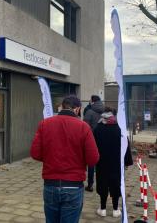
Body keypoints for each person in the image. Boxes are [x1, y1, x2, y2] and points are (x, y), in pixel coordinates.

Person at [30, 95, 100, 223]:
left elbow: (35, 153)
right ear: (78, 109)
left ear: (62, 107)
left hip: (51, 184)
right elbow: (93, 159)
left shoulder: (45, 124)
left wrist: (50, 158)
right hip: (73, 186)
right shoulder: (83, 127)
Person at [93, 107, 132, 218]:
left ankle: (103, 208)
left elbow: (93, 146)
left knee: (102, 183)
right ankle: (115, 209)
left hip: (102, 162)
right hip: (116, 163)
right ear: (114, 115)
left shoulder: (97, 128)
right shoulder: (120, 128)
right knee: (116, 184)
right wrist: (127, 161)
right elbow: (126, 145)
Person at [83, 95, 104, 192]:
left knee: (91, 162)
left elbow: (84, 127)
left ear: (92, 101)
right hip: (103, 140)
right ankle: (102, 184)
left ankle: (90, 184)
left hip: (92, 140)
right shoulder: (105, 111)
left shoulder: (89, 112)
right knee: (102, 162)